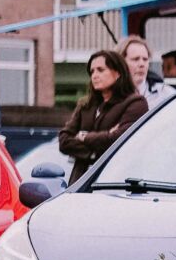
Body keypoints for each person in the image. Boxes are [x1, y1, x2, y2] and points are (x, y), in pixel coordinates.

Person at [60, 49, 149, 178]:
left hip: (113, 180)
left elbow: (119, 140)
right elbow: (64, 141)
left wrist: (84, 136)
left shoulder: (136, 103)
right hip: (80, 181)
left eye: (100, 70)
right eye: (92, 71)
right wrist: (94, 152)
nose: (95, 75)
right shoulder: (85, 105)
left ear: (117, 73)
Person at [121, 38, 174, 110]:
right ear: (121, 62)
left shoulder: (165, 93)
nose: (142, 64)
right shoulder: (111, 95)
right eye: (136, 59)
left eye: (145, 59)